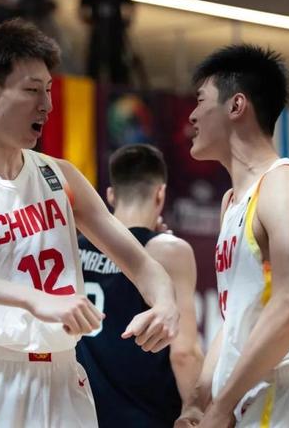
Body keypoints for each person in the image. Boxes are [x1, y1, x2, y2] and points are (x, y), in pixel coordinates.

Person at [0, 18, 179, 428]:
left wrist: (166, 304)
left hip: (64, 374)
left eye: (49, 90)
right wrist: (31, 298)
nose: (47, 105)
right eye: (33, 90)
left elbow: (140, 262)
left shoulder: (60, 175)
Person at [175, 44, 289, 427]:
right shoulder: (232, 203)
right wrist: (199, 400)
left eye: (200, 101)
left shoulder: (284, 184)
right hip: (250, 398)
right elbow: (235, 321)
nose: (192, 116)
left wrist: (221, 406)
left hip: (287, 399)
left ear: (236, 106)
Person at [76, 144, 203, 427]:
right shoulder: (169, 251)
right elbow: (184, 353)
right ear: (160, 194)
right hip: (146, 416)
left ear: (111, 195)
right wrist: (195, 408)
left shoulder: (73, 247)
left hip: (81, 414)